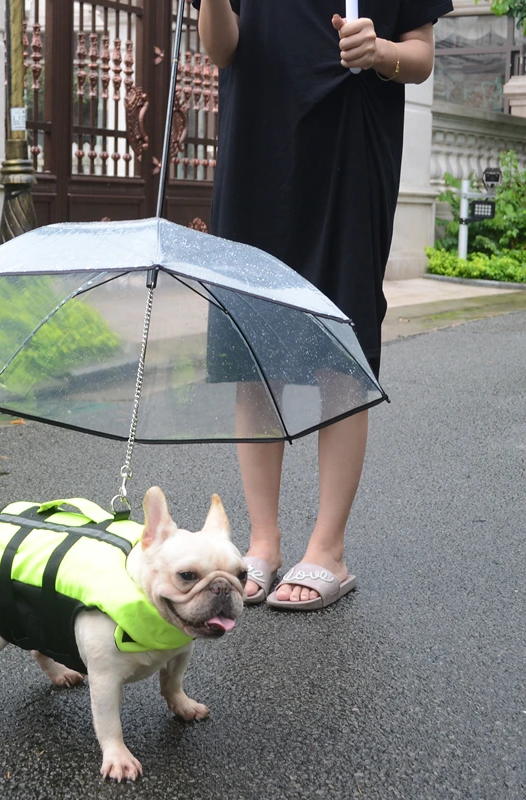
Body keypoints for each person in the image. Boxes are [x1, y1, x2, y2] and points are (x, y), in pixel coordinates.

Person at [192, 0, 453, 608]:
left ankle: (328, 547)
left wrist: (381, 52)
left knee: (341, 343)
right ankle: (263, 540)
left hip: (349, 140)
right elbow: (222, 48)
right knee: (253, 345)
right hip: (258, 140)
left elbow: (420, 55)